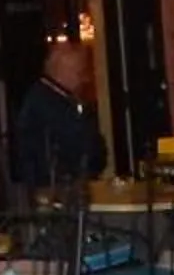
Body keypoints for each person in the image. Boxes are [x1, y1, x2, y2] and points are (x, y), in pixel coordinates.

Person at [10, 39, 107, 197]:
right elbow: (82, 144)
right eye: (79, 72)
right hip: (56, 189)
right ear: (63, 72)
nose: (85, 79)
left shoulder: (47, 98)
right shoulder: (49, 104)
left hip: (58, 185)